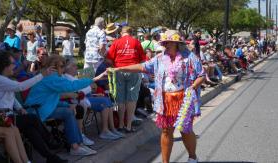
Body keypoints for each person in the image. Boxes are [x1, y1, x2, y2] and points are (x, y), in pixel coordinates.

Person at [107, 30, 205, 163]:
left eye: (168, 42)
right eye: (164, 43)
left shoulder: (189, 57)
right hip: (165, 100)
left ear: (176, 43)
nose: (165, 45)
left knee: (185, 130)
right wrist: (120, 68)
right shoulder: (159, 58)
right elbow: (142, 66)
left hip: (183, 99)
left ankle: (192, 157)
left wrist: (193, 87)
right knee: (166, 131)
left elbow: (201, 75)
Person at [0, 52, 67, 163]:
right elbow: (20, 87)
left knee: (31, 130)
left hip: (6, 116)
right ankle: (50, 141)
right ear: (4, 66)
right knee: (32, 118)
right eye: (12, 63)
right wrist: (42, 75)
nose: (15, 65)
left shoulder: (2, 79)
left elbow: (11, 97)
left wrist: (19, 108)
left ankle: (50, 157)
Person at [25, 55, 106, 156]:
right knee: (68, 112)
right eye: (62, 66)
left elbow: (51, 98)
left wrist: (66, 104)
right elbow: (72, 86)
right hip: (35, 111)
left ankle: (78, 143)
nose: (64, 68)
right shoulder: (51, 77)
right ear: (54, 67)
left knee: (70, 109)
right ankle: (75, 146)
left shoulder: (50, 76)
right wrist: (95, 79)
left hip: (41, 107)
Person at [64, 61, 124, 140]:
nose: (76, 68)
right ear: (67, 69)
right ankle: (105, 131)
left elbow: (82, 88)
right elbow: (79, 91)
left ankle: (111, 129)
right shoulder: (67, 78)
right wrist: (90, 88)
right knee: (105, 101)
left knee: (107, 100)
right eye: (73, 66)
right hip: (80, 99)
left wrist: (90, 88)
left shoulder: (72, 77)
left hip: (84, 97)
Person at [106, 26, 147, 132]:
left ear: (121, 33)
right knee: (131, 99)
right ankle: (128, 126)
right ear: (131, 33)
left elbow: (109, 59)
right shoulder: (136, 42)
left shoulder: (116, 42)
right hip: (133, 70)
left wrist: (115, 66)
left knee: (121, 99)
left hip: (119, 71)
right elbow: (143, 59)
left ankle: (120, 125)